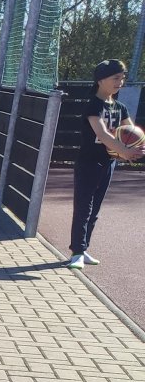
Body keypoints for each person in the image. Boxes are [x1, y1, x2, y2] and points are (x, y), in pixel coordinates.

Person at [66, 59, 143, 269]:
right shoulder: (94, 105)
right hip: (88, 163)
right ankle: (76, 252)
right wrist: (124, 151)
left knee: (95, 210)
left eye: (122, 78)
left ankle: (84, 249)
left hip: (108, 163)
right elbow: (102, 133)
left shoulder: (120, 107)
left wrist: (136, 148)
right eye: (115, 78)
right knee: (84, 208)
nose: (120, 82)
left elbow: (133, 132)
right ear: (100, 80)